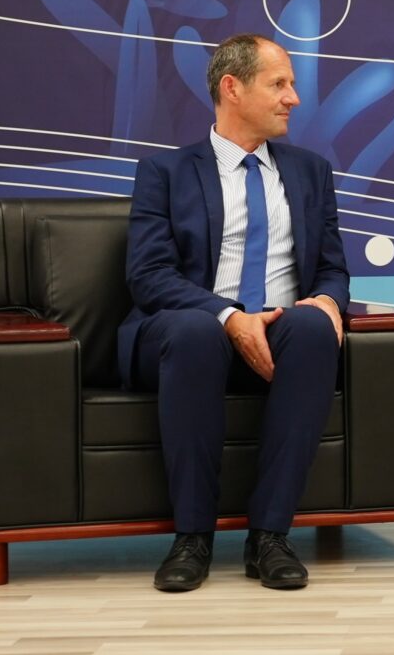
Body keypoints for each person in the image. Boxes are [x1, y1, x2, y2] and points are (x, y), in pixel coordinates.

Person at [122, 33, 350, 592]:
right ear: (232, 88)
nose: (294, 98)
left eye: (292, 84)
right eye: (279, 84)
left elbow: (331, 269)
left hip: (281, 329)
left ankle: (269, 536)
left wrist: (327, 302)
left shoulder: (311, 172)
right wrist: (228, 316)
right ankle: (192, 538)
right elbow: (149, 276)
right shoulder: (165, 172)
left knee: (313, 326)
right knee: (197, 332)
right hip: (186, 330)